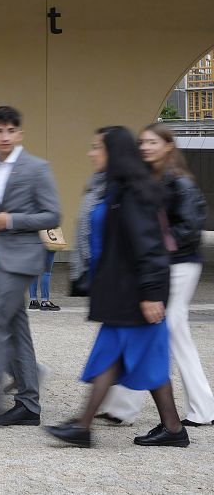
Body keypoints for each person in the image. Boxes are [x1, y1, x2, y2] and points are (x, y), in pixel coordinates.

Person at [45, 127, 189, 448]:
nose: (91, 153)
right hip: (123, 292)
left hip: (136, 293)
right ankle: (173, 429)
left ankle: (84, 427)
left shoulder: (133, 192)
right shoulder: (117, 189)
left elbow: (149, 247)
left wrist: (151, 294)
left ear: (113, 153)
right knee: (134, 358)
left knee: (118, 357)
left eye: (97, 147)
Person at [96, 122, 214, 428]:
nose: (146, 147)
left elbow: (188, 230)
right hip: (160, 264)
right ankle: (122, 407)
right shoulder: (145, 179)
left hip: (180, 264)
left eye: (152, 142)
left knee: (170, 329)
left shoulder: (180, 183)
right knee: (147, 329)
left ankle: (203, 407)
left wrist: (149, 242)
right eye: (142, 142)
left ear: (169, 146)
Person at [0, 106, 60, 429]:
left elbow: (52, 215)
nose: (4, 136)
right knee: (18, 330)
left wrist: (11, 221)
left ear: (19, 133)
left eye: (10, 131)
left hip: (22, 259)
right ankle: (29, 405)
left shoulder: (37, 169)